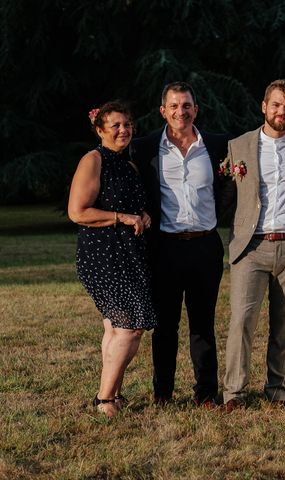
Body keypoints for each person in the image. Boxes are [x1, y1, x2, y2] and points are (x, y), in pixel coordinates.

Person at [131, 82, 232, 409]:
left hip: (205, 247)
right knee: (165, 325)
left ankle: (205, 393)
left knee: (203, 324)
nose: (180, 111)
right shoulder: (145, 148)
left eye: (186, 105)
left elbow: (232, 187)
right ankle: (163, 393)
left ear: (195, 109)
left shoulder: (217, 146)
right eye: (174, 106)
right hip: (165, 248)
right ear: (163, 111)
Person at [222, 79, 285, 412]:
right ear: (264, 106)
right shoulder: (239, 146)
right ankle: (234, 391)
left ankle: (277, 388)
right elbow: (225, 193)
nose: (282, 111)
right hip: (251, 247)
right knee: (242, 320)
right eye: (276, 105)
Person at [68, 100, 156, 418]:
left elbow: (136, 207)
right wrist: (122, 217)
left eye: (127, 124)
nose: (123, 130)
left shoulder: (128, 165)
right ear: (100, 129)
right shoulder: (93, 160)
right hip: (102, 256)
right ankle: (105, 399)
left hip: (129, 254)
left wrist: (142, 216)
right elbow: (78, 211)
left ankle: (114, 394)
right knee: (130, 327)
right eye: (115, 125)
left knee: (115, 329)